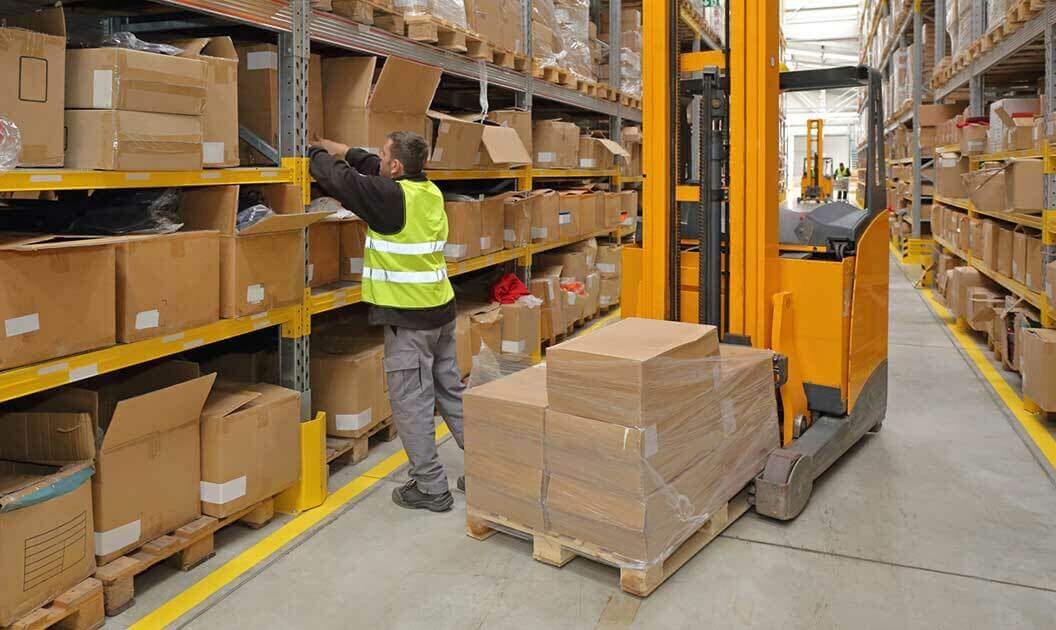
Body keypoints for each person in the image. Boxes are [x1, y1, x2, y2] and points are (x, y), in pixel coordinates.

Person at [309, 132, 464, 513]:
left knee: (411, 401)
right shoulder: (426, 190)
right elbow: (365, 169)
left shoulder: (390, 198)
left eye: (383, 155)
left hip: (410, 319)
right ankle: (489, 469)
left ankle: (430, 487)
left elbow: (341, 181)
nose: (377, 160)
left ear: (395, 167)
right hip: (440, 311)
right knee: (450, 391)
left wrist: (312, 152)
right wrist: (340, 148)